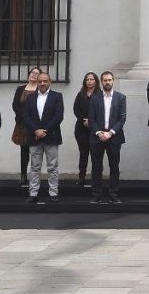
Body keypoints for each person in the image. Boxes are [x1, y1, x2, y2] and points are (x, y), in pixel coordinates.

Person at [23, 71, 64, 204]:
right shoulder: (30, 97)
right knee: (35, 166)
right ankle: (33, 193)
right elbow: (26, 116)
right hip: (34, 137)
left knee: (52, 166)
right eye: (40, 81)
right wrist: (36, 130)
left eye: (45, 81)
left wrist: (45, 130)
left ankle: (53, 193)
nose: (42, 83)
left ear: (49, 82)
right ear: (37, 82)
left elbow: (58, 116)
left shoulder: (57, 96)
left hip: (51, 136)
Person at [88, 71, 127, 204]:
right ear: (101, 81)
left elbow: (122, 119)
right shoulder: (94, 97)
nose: (107, 82)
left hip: (114, 137)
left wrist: (110, 133)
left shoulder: (121, 97)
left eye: (109, 80)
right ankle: (96, 195)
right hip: (97, 137)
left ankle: (113, 194)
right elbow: (91, 119)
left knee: (114, 167)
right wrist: (99, 133)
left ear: (113, 81)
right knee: (96, 167)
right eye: (105, 80)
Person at [11, 66, 41, 186]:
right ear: (29, 74)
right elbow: (15, 105)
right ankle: (23, 176)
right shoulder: (20, 89)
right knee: (24, 151)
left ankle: (34, 176)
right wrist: (24, 116)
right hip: (22, 124)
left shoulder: (40, 89)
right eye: (32, 72)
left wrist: (32, 119)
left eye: (37, 73)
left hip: (35, 124)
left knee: (35, 151)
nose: (34, 74)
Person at [72, 72, 98, 186]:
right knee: (83, 153)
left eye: (91, 79)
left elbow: (101, 111)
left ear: (95, 81)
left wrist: (91, 121)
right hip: (81, 128)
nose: (89, 81)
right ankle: (81, 177)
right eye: (87, 79)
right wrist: (84, 120)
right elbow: (76, 109)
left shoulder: (100, 95)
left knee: (95, 154)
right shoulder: (80, 94)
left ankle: (95, 178)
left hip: (95, 128)